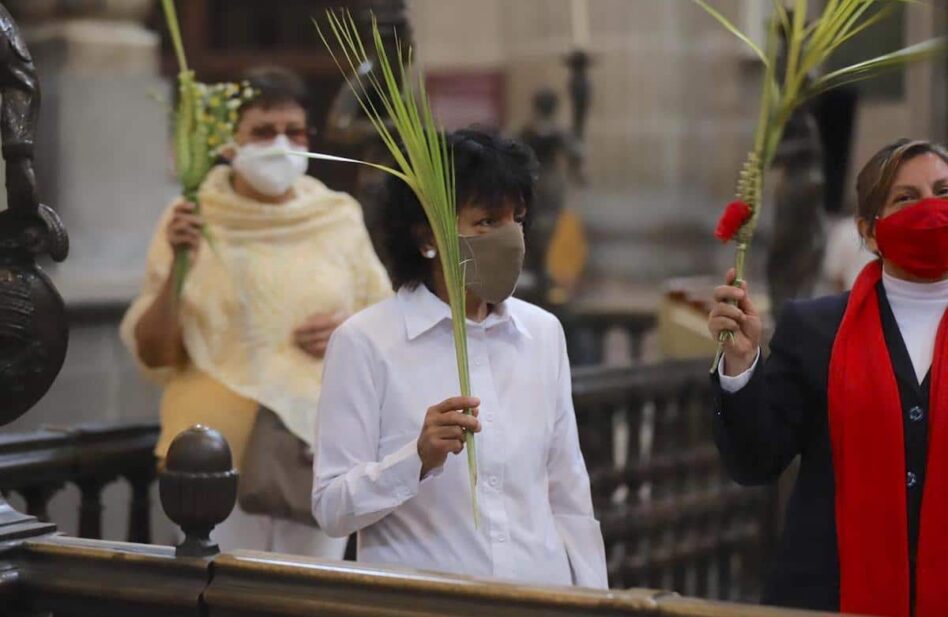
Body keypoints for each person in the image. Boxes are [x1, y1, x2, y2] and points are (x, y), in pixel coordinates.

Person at [312, 129, 608, 588]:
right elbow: (332, 508)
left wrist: (593, 597)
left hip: (540, 596)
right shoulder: (366, 342)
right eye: (487, 222)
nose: (509, 238)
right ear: (427, 235)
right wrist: (417, 459)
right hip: (428, 601)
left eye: (517, 219)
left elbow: (568, 493)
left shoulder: (541, 334)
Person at [120, 66, 391, 557]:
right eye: (264, 132)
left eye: (295, 131)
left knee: (307, 599)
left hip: (313, 451)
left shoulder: (338, 215)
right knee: (214, 594)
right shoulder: (191, 217)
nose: (282, 144)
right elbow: (156, 352)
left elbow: (389, 327)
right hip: (209, 462)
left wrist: (348, 332)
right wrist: (182, 263)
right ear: (229, 144)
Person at [708, 138, 948, 616]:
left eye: (943, 192)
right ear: (869, 231)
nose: (932, 209)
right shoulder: (817, 329)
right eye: (907, 198)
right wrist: (741, 364)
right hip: (830, 598)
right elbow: (755, 461)